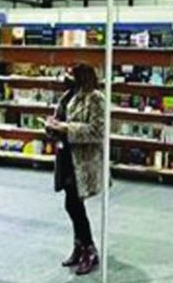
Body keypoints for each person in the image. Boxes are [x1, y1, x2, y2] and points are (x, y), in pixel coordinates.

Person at [45, 64, 106, 275]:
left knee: (74, 205)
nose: (66, 77)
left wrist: (66, 128)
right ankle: (80, 247)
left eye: (71, 74)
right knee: (72, 205)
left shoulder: (96, 98)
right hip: (66, 157)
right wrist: (52, 126)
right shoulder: (68, 96)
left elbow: (98, 131)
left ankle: (89, 249)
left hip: (83, 161)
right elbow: (60, 118)